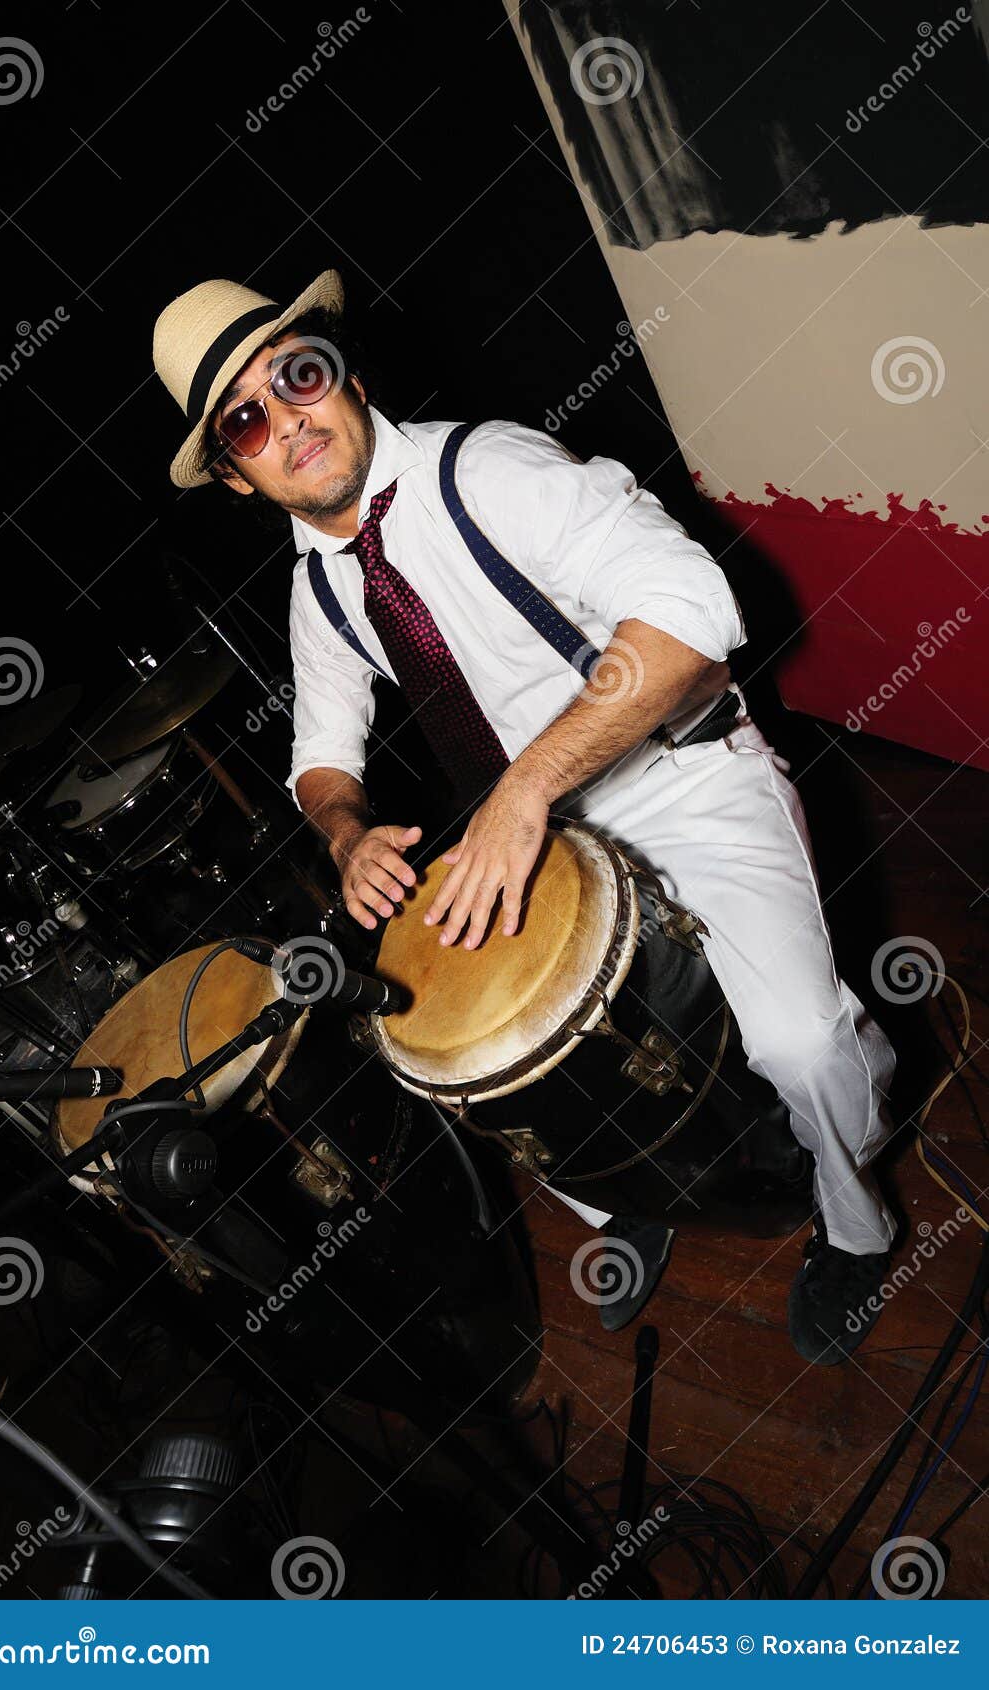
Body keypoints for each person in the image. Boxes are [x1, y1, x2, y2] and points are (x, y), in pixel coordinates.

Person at [153, 268, 899, 1364]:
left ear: (348, 376)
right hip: (532, 823)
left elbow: (695, 614)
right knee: (452, 1045)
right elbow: (319, 758)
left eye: (297, 374)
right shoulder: (316, 586)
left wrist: (524, 789)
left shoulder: (490, 469)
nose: (290, 420)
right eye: (248, 419)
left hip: (681, 776)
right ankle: (621, 1201)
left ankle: (857, 1229)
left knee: (798, 1039)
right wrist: (348, 833)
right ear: (237, 476)